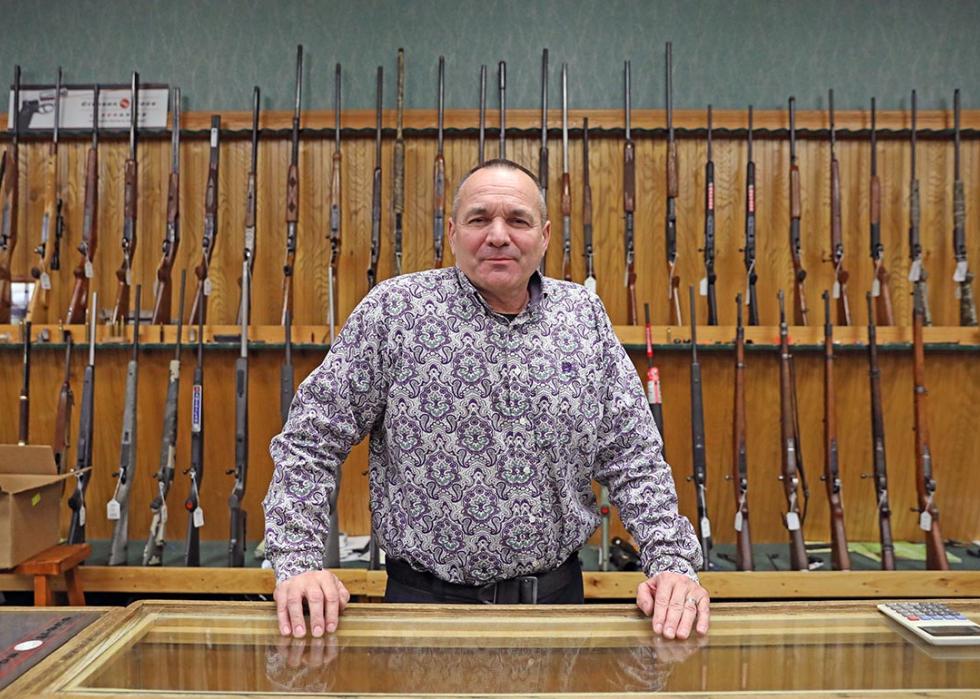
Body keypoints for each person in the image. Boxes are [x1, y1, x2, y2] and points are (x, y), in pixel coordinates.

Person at [264, 159, 709, 640]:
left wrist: (671, 564)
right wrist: (298, 562)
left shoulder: (584, 319)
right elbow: (310, 439)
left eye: (517, 220)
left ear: (543, 235)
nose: (498, 235)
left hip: (557, 619)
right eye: (480, 219)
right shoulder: (395, 313)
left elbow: (634, 458)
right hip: (423, 619)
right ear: (452, 233)